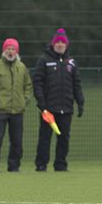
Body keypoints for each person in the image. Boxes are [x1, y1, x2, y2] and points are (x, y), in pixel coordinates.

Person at [32, 28, 84, 172]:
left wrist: (80, 102)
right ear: (53, 44)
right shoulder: (44, 60)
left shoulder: (71, 62)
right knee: (45, 138)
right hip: (49, 109)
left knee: (64, 138)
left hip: (66, 108)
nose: (60, 45)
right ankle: (41, 164)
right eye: (58, 42)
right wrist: (42, 105)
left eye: (63, 43)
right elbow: (37, 83)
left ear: (66, 45)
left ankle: (61, 164)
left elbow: (77, 84)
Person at [0, 38, 32, 172]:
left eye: (13, 49)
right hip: (0, 111)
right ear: (4, 50)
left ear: (16, 51)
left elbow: (28, 85)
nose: (11, 52)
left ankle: (14, 166)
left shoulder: (22, 67)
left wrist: (24, 99)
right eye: (8, 49)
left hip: (18, 110)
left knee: (17, 141)